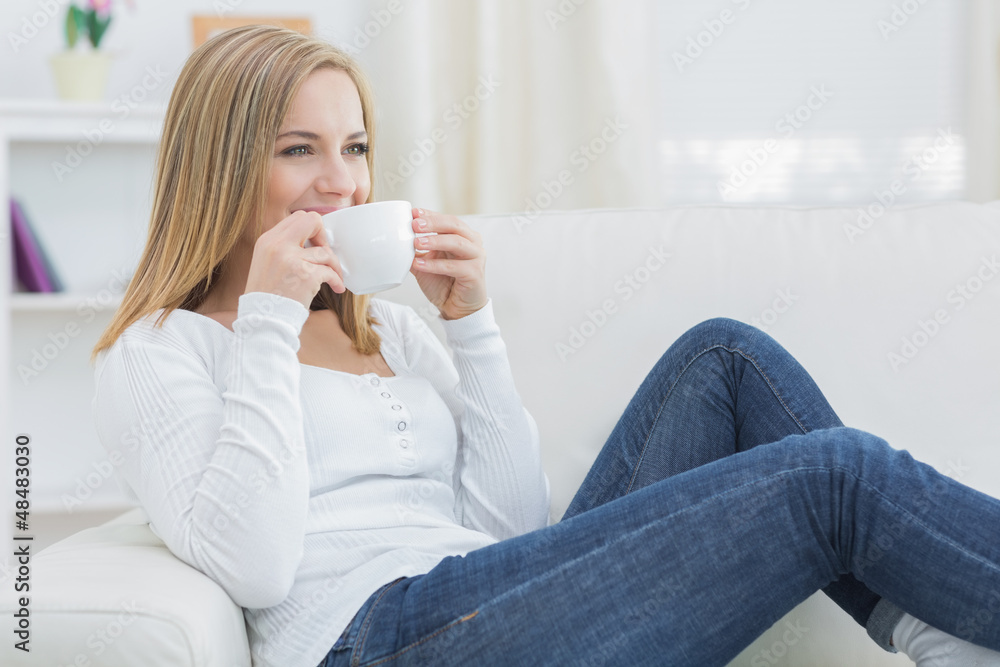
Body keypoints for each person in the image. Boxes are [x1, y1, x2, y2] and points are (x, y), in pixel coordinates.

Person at [90, 24, 1000, 667]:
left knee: (723, 360)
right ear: (221, 166)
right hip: (374, 637)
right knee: (833, 475)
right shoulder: (158, 351)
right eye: (301, 150)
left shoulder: (390, 327)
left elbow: (512, 532)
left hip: (481, 599)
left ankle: (942, 639)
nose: (343, 182)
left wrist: (469, 323)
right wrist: (268, 319)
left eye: (357, 147)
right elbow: (253, 564)